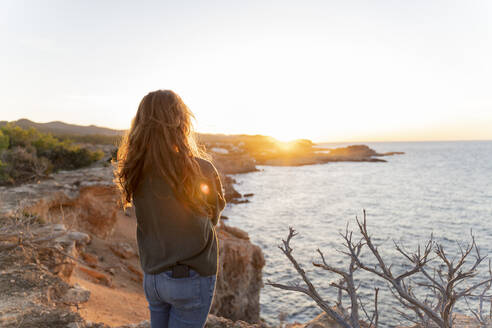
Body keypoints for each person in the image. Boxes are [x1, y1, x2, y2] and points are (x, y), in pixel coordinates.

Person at [114, 89, 226, 328]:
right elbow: (214, 216)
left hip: (153, 278)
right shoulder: (202, 169)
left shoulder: (135, 170)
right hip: (191, 279)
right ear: (182, 122)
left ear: (140, 125)